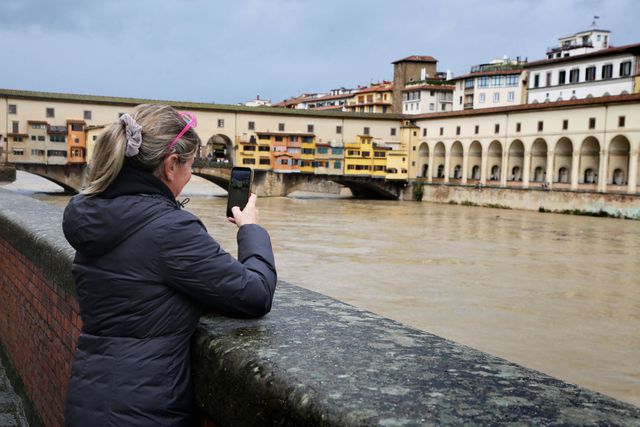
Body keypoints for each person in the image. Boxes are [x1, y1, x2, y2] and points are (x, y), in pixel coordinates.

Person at [62, 104, 277, 426]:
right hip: (143, 409)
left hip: (88, 397)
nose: (191, 175)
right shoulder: (169, 229)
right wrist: (251, 230)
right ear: (171, 164)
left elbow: (143, 284)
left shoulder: (97, 216)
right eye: (190, 164)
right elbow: (254, 294)